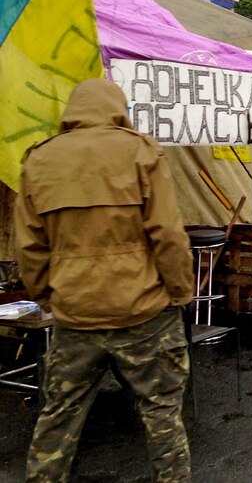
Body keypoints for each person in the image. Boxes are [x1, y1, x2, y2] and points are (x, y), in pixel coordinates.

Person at [15, 79, 194, 482]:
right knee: (162, 416)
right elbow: (167, 234)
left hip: (75, 314)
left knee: (58, 419)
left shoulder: (39, 160)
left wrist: (50, 297)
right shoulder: (141, 152)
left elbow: (29, 248)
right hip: (144, 310)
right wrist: (179, 293)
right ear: (118, 108)